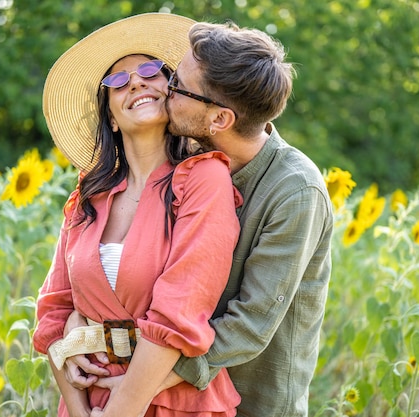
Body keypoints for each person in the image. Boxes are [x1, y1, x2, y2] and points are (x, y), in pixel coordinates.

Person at [65, 18, 334, 417]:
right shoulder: (184, 165)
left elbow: (249, 324)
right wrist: (75, 328)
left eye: (176, 86)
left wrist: (138, 389)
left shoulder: (295, 192)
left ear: (220, 120)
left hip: (253, 397)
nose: (163, 90)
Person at [32, 13, 242, 417]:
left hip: (175, 403)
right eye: (116, 81)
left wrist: (120, 411)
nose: (136, 82)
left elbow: (179, 311)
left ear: (173, 92)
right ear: (110, 115)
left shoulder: (204, 179)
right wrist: (79, 411)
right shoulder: (88, 195)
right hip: (89, 402)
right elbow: (53, 313)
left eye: (150, 70)